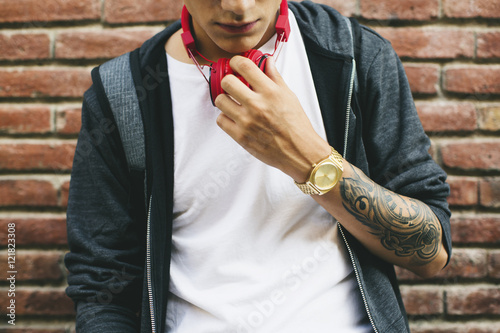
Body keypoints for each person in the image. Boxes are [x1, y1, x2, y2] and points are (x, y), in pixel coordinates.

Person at [64, 0, 452, 332]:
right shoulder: (122, 96)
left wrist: (309, 159)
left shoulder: (354, 56)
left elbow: (430, 252)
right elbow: (101, 287)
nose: (239, 7)